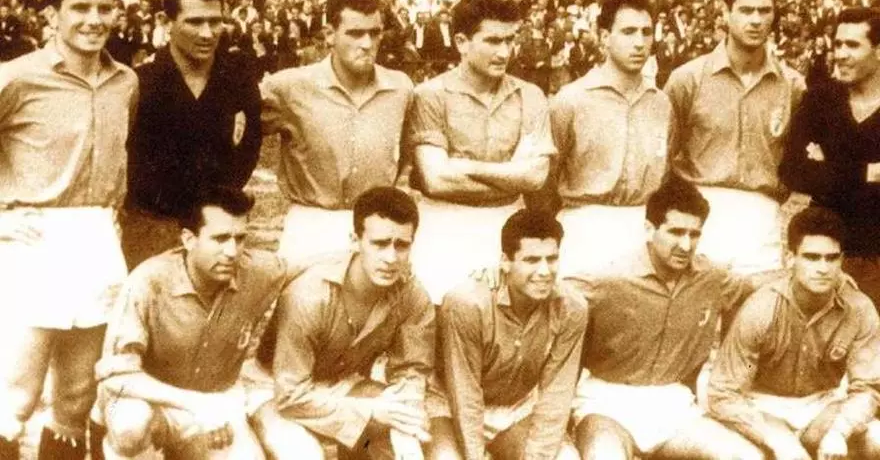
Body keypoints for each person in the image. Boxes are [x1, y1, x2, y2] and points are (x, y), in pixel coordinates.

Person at [0, 0, 137, 458]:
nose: (93, 19)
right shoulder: (16, 78)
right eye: (80, 7)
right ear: (52, 14)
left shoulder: (126, 81)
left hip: (97, 237)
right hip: (32, 238)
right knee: (14, 396)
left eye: (104, 8)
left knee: (78, 395)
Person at [565, 175, 763, 459]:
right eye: (676, 232)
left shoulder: (712, 277)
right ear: (650, 229)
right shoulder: (608, 278)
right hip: (606, 402)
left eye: (694, 234)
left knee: (745, 456)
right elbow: (550, 295)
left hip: (673, 403)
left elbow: (756, 285)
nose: (686, 245)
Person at [94, 187, 287, 459]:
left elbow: (309, 271)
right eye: (220, 239)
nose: (232, 251)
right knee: (130, 425)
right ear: (188, 239)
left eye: (240, 238)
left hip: (217, 401)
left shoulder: (260, 272)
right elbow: (117, 377)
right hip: (150, 399)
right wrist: (197, 405)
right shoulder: (148, 281)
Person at [248, 187, 435, 459]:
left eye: (402, 245)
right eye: (380, 244)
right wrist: (370, 412)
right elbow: (290, 396)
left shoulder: (411, 294)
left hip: (342, 383)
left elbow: (412, 369)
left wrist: (407, 409)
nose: (391, 258)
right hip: (275, 388)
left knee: (407, 445)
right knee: (304, 455)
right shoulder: (309, 294)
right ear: (354, 240)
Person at [407, 0, 555, 302]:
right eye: (492, 41)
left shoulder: (530, 95)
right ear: (461, 42)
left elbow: (534, 177)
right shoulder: (431, 95)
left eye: (510, 40)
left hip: (508, 226)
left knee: (503, 322)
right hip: (443, 228)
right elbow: (436, 179)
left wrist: (464, 166)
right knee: (441, 316)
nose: (504, 52)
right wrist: (511, 173)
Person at [664, 0, 806, 276]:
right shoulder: (687, 80)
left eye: (764, 11)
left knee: (760, 305)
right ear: (726, 12)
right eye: (745, 10)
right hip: (700, 217)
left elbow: (798, 164)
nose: (756, 20)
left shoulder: (793, 86)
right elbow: (664, 158)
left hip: (762, 220)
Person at [708, 207, 880, 460]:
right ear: (790, 258)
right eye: (811, 257)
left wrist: (839, 432)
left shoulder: (859, 308)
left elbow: (868, 388)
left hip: (820, 405)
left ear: (842, 260)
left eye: (831, 258)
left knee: (876, 439)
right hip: (762, 405)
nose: (823, 268)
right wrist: (774, 439)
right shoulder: (762, 307)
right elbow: (723, 393)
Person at [261, 0, 414, 264]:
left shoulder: (400, 88)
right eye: (355, 33)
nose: (367, 44)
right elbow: (234, 135)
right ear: (330, 34)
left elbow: (407, 154)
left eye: (375, 33)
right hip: (311, 227)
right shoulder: (288, 87)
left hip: (376, 229)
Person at [122, 0, 262, 270]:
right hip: (151, 230)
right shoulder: (140, 83)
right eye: (195, 22)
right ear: (166, 21)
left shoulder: (238, 80)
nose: (208, 33)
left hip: (215, 229)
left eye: (215, 21)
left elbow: (248, 149)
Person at [425, 209, 587, 460]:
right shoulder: (468, 303)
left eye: (552, 259)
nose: (545, 271)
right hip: (451, 406)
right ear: (505, 261)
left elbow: (556, 395)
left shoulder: (571, 307)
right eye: (531, 260)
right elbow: (464, 395)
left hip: (517, 408)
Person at [544, 0, 673, 275]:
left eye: (646, 32)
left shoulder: (662, 104)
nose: (639, 42)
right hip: (584, 233)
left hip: (643, 234)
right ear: (605, 37)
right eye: (628, 32)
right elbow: (544, 184)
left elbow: (666, 176)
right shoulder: (571, 100)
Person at [779, 7, 880, 311]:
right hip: (823, 252)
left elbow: (814, 175)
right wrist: (867, 172)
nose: (841, 54)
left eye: (853, 45)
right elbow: (792, 171)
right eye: (838, 44)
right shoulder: (821, 100)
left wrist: (826, 165)